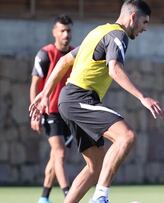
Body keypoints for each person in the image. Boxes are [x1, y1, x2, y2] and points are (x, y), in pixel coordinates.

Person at [29, 1, 164, 202]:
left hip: (70, 100)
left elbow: (64, 61)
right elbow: (114, 69)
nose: (145, 28)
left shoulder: (99, 31)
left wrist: (46, 93)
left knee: (95, 166)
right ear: (133, 17)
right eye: (144, 22)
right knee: (126, 136)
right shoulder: (119, 36)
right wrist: (143, 97)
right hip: (79, 97)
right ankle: (100, 197)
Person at [29, 14, 74, 203]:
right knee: (60, 153)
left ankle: (44, 198)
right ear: (54, 32)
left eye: (69, 30)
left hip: (67, 113)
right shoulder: (45, 54)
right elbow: (34, 85)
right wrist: (35, 113)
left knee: (54, 157)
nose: (66, 34)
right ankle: (69, 196)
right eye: (62, 30)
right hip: (50, 112)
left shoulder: (74, 54)